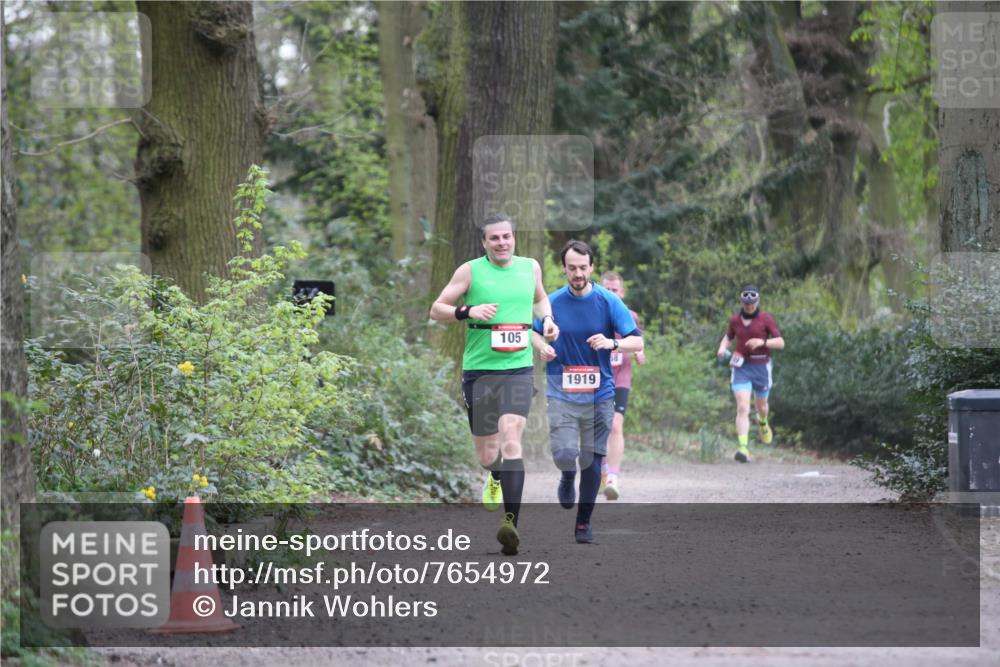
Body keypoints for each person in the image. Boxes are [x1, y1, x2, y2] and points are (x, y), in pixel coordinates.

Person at [429, 214, 558, 556]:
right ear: (484, 243)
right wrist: (467, 311)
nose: (502, 242)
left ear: (514, 238)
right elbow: (437, 309)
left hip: (517, 369)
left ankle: (510, 524)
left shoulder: (530, 267)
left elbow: (541, 298)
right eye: (494, 238)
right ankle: (495, 474)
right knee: (488, 454)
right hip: (479, 371)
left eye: (507, 237)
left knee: (512, 439)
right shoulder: (470, 271)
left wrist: (547, 320)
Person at [532, 240, 642, 543]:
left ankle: (583, 522)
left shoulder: (608, 302)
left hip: (600, 392)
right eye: (572, 268)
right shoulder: (551, 302)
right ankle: (567, 475)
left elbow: (638, 341)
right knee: (567, 454)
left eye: (583, 267)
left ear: (591, 267)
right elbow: (532, 331)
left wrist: (613, 343)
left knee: (593, 458)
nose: (577, 273)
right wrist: (542, 346)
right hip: (561, 390)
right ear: (564, 269)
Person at [716, 285, 784, 463]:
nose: (749, 307)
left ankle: (763, 421)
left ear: (758, 302)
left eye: (752, 304)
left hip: (761, 367)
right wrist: (723, 348)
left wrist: (762, 342)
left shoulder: (766, 319)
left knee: (761, 406)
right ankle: (743, 448)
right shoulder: (735, 320)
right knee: (743, 407)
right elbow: (728, 337)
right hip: (741, 367)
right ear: (742, 303)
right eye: (746, 304)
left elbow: (780, 342)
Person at [598, 271, 645, 500]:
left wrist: (639, 352)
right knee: (597, 426)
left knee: (615, 425)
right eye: (606, 289)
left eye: (614, 290)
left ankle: (613, 478)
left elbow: (638, 339)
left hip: (620, 379)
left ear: (622, 292)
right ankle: (601, 470)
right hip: (595, 377)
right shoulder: (592, 313)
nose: (610, 293)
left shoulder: (630, 315)